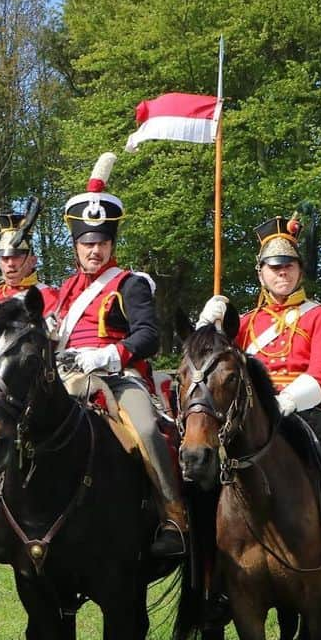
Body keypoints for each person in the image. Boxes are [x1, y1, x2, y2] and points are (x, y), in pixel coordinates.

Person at [200, 210, 321, 609]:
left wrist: (287, 400)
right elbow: (213, 363)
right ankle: (212, 576)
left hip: (303, 408)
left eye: (289, 265)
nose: (282, 272)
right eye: (274, 267)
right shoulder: (246, 324)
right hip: (248, 417)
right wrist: (209, 323)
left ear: (299, 270)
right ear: (261, 274)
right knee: (202, 468)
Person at [48, 152, 187, 559]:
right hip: (67, 375)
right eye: (88, 243)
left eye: (102, 243)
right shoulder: (66, 288)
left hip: (117, 376)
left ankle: (173, 515)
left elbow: (148, 336)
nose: (95, 250)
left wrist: (109, 355)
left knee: (145, 430)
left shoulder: (130, 284)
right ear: (76, 246)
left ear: (112, 244)